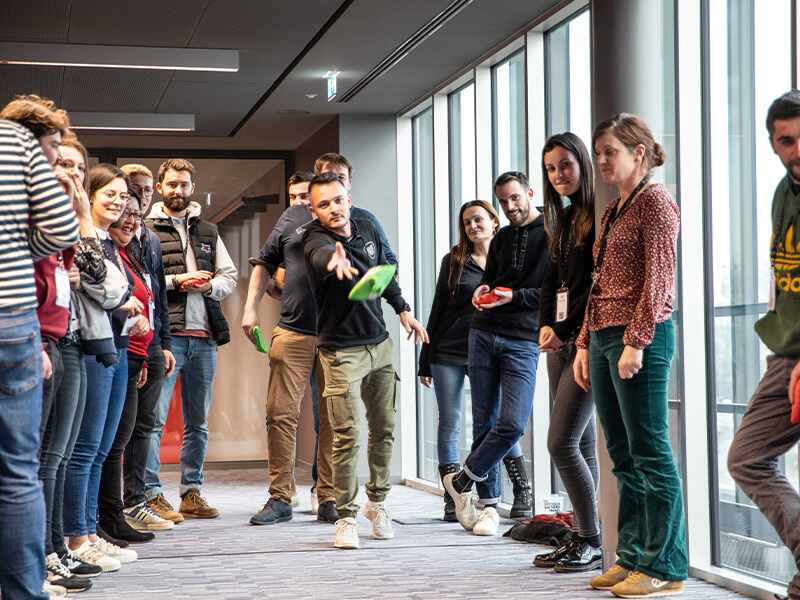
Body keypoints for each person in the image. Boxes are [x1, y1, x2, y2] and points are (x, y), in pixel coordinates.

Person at [573, 113, 686, 598]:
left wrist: (636, 341)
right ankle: (633, 556)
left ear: (639, 152)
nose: (600, 161)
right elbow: (598, 284)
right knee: (621, 455)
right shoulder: (616, 208)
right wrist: (583, 343)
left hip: (640, 335)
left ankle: (666, 566)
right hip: (603, 335)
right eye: (597, 153)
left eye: (609, 152)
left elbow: (659, 281)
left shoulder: (656, 203)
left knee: (650, 452)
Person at [303, 172, 427, 549]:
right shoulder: (315, 239)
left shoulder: (368, 225)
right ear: (314, 210)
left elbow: (384, 272)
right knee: (347, 435)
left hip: (381, 346)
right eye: (323, 205)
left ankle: (378, 502)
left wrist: (403, 308)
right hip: (341, 352)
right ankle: (345, 516)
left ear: (348, 197)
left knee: (385, 428)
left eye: (338, 200)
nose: (333, 209)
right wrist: (333, 260)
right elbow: (320, 257)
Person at [443, 171, 549, 537]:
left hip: (523, 341)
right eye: (503, 201)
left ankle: (462, 480)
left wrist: (515, 297)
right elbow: (494, 279)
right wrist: (485, 289)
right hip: (484, 333)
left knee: (512, 424)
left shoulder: (552, 233)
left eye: (515, 199)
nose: (510, 207)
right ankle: (489, 506)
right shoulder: (502, 236)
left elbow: (550, 293)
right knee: (484, 422)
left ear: (530, 194)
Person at [0, 112, 79, 598]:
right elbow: (62, 227)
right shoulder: (15, 141)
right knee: (17, 472)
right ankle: (24, 592)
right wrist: (17, 246)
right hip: (10, 315)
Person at [728, 90, 800, 600]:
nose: (797, 149)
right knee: (747, 457)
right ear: (773, 145)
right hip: (786, 351)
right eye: (787, 140)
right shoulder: (782, 191)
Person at [419, 200, 528, 520]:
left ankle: (522, 488)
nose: (472, 226)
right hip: (449, 349)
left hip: (491, 348)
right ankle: (455, 499)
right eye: (466, 222)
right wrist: (425, 359)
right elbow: (438, 308)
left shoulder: (510, 259)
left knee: (500, 422)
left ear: (495, 222)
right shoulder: (453, 260)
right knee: (449, 423)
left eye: (478, 219)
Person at [242, 170, 338, 525]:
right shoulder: (291, 218)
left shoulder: (355, 219)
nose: (302, 201)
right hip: (293, 331)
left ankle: (328, 496)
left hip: (335, 335)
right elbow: (265, 262)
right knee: (280, 414)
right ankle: (281, 496)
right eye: (300, 196)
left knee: (331, 417)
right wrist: (250, 307)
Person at [145, 158, 238, 520]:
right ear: (161, 187)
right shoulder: (148, 229)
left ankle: (191, 492)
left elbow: (229, 277)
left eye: (184, 185)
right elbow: (144, 281)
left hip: (205, 338)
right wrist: (177, 281)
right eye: (172, 185)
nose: (178, 191)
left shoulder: (209, 231)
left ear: (192, 187)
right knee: (153, 419)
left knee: (198, 422)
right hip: (168, 338)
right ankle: (151, 493)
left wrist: (210, 285)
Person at [64, 164, 144, 572]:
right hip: (91, 346)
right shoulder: (82, 234)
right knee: (83, 450)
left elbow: (120, 292)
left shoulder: (111, 242)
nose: (116, 202)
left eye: (121, 195)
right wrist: (120, 298)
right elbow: (108, 289)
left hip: (116, 346)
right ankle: (76, 536)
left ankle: (91, 532)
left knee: (99, 451)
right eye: (108, 194)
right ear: (89, 196)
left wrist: (123, 301)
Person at [533, 132, 601, 572]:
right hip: (558, 342)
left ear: (584, 164)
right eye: (551, 168)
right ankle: (590, 534)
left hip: (583, 343)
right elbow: (551, 282)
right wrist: (545, 325)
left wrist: (567, 333)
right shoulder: (565, 218)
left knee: (561, 442)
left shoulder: (598, 216)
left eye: (566, 165)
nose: (559, 175)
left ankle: (589, 537)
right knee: (584, 443)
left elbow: (595, 289)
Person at [97, 189, 175, 541]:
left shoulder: (130, 254)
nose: (130, 220)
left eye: (136, 215)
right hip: (115, 354)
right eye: (123, 212)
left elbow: (153, 303)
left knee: (128, 435)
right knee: (108, 445)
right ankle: (107, 519)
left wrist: (149, 352)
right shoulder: (107, 255)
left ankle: (117, 513)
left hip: (136, 354)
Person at [118, 164, 178, 529]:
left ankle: (136, 498)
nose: (141, 196)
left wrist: (165, 344)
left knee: (146, 425)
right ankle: (116, 504)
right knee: (120, 430)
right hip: (123, 343)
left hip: (152, 343)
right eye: (134, 190)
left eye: (145, 192)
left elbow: (158, 297)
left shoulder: (151, 239)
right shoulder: (115, 237)